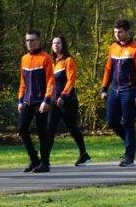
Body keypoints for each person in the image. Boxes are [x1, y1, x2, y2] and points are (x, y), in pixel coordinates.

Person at [100, 19, 136, 167]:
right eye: (115, 32)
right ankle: (133, 143)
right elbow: (108, 69)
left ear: (127, 32)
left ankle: (129, 156)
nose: (117, 35)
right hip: (115, 89)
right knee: (111, 121)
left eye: (120, 32)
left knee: (128, 123)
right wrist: (104, 89)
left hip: (130, 90)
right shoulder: (113, 47)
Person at [50, 36, 91, 166]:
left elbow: (71, 81)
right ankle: (45, 159)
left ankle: (84, 154)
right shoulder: (51, 62)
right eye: (54, 43)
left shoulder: (68, 60)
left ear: (63, 45)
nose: (56, 45)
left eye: (58, 43)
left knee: (72, 128)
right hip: (53, 102)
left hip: (68, 101)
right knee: (49, 128)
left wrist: (63, 96)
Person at [18, 29, 55, 173]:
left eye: (32, 40)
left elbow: (50, 80)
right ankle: (34, 159)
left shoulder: (46, 58)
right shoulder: (24, 58)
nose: (30, 43)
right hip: (27, 100)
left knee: (42, 133)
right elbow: (22, 81)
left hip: (41, 101)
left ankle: (45, 163)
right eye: (27, 40)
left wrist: (47, 100)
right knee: (21, 129)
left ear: (38, 41)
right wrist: (20, 99)